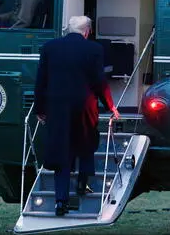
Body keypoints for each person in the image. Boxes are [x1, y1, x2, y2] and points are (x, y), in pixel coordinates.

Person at [33, 16, 120, 216]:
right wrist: (110, 106)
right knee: (86, 143)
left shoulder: (49, 47)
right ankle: (82, 183)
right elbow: (99, 82)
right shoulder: (94, 49)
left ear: (67, 29)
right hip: (84, 106)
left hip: (57, 107)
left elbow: (41, 80)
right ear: (87, 31)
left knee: (61, 151)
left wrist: (40, 108)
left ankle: (60, 201)